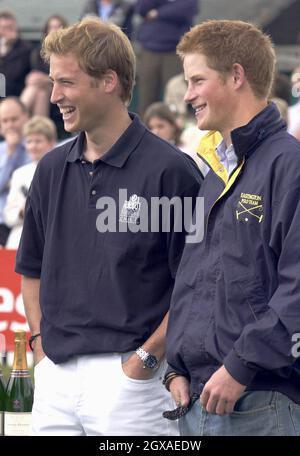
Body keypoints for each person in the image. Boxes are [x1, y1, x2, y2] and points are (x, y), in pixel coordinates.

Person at [15, 17, 201, 436]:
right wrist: (41, 347)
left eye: (66, 82)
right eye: (52, 82)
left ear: (109, 81)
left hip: (133, 386)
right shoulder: (49, 168)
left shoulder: (171, 171)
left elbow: (196, 285)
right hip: (56, 380)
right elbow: (31, 271)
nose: (55, 95)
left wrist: (146, 361)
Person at [165, 19, 300, 436]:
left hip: (261, 403)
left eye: (197, 80)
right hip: (198, 401)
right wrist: (175, 367)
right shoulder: (215, 173)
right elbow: (193, 281)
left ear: (236, 76)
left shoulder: (289, 165)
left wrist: (241, 366)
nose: (188, 95)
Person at [135, 0, 199, 116]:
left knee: (177, 98)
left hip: (175, 52)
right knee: (146, 100)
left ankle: (176, 132)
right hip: (149, 50)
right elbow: (141, 8)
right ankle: (146, 131)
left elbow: (188, 9)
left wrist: (158, 13)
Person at [4, 116, 57, 249]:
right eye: (29, 141)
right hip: (19, 242)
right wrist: (22, 211)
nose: (33, 146)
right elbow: (8, 216)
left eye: (38, 141)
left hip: (51, 241)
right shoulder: (19, 174)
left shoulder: (61, 170)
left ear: (51, 143)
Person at [20, 15, 68, 117]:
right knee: (40, 93)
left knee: (38, 89)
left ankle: (15, 114)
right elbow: (35, 75)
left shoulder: (69, 53)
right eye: (52, 27)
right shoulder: (39, 52)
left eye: (59, 27)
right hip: (42, 92)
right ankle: (39, 129)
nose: (55, 30)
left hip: (60, 91)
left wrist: (46, 80)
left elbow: (68, 78)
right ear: (46, 31)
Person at [0, 97, 30, 246]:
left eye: (14, 119)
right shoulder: (1, 151)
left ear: (26, 117)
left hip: (27, 220)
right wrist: (10, 152)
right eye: (5, 121)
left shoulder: (35, 147)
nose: (10, 125)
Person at [0, 11, 31, 97]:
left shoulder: (24, 48)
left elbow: (12, 75)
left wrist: (6, 50)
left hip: (14, 94)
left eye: (10, 28)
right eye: (3, 28)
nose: (7, 31)